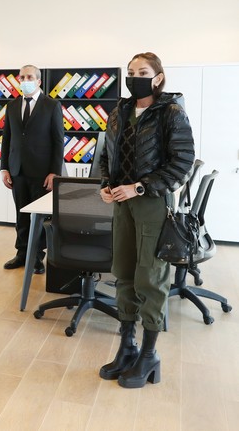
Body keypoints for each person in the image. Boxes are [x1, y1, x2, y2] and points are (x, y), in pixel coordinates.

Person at [98, 52, 194, 389]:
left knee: (150, 277)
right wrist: (106, 184)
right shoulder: (119, 111)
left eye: (142, 72)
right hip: (121, 203)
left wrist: (139, 187)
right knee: (123, 272)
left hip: (151, 202)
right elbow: (106, 155)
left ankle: (149, 354)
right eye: (131, 72)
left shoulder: (171, 112)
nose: (135, 77)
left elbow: (183, 161)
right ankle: (127, 346)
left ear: (158, 77)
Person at [0, 65, 64, 274]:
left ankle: (36, 257)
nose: (25, 80)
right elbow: (7, 139)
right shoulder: (12, 106)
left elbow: (58, 141)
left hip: (42, 172)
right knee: (21, 216)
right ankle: (21, 253)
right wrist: (4, 168)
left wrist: (54, 172)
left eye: (29, 77)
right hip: (17, 170)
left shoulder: (51, 105)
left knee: (38, 218)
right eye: (22, 77)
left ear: (38, 81)